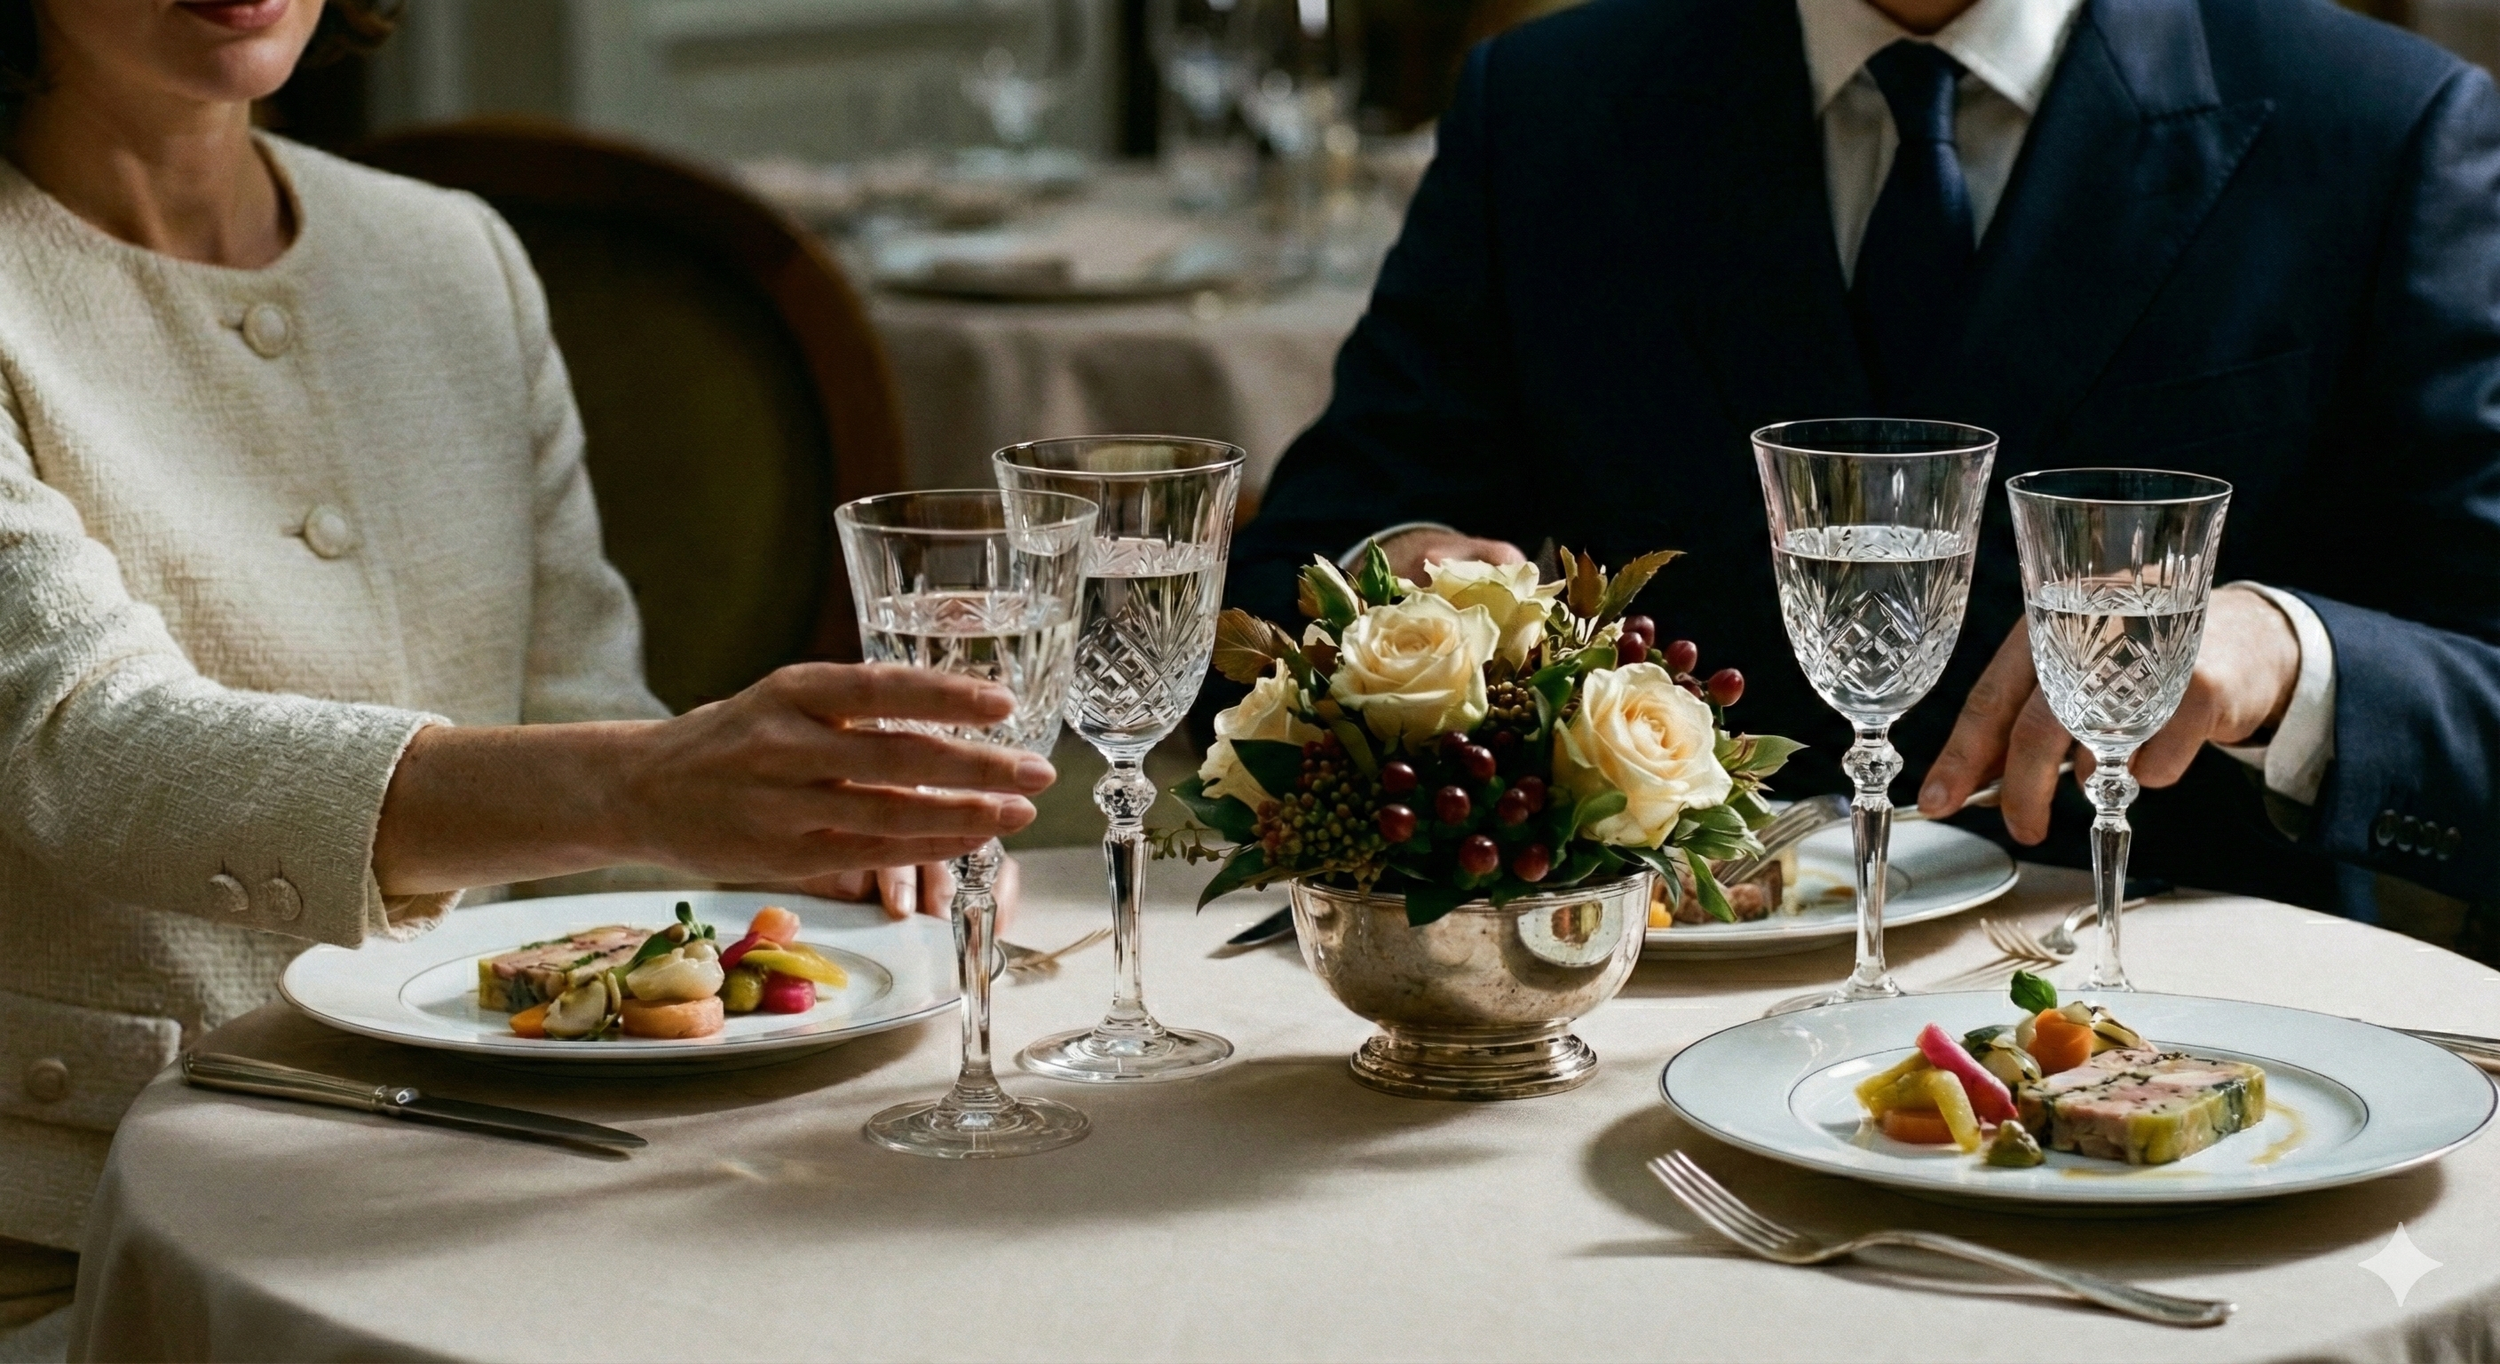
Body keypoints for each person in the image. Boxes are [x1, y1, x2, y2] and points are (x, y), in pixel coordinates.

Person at [0, 0, 1052, 1253]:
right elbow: (87, 745)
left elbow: (570, 721)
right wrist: (652, 787)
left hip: (513, 1166)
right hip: (102, 1224)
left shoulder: (451, 256)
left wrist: (785, 842)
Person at [1232, 0, 2500, 931]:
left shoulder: (2380, 129)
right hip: (1623, 1025)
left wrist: (2285, 652)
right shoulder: (1548, 109)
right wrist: (1392, 589)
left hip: (2171, 1022)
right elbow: (1297, 567)